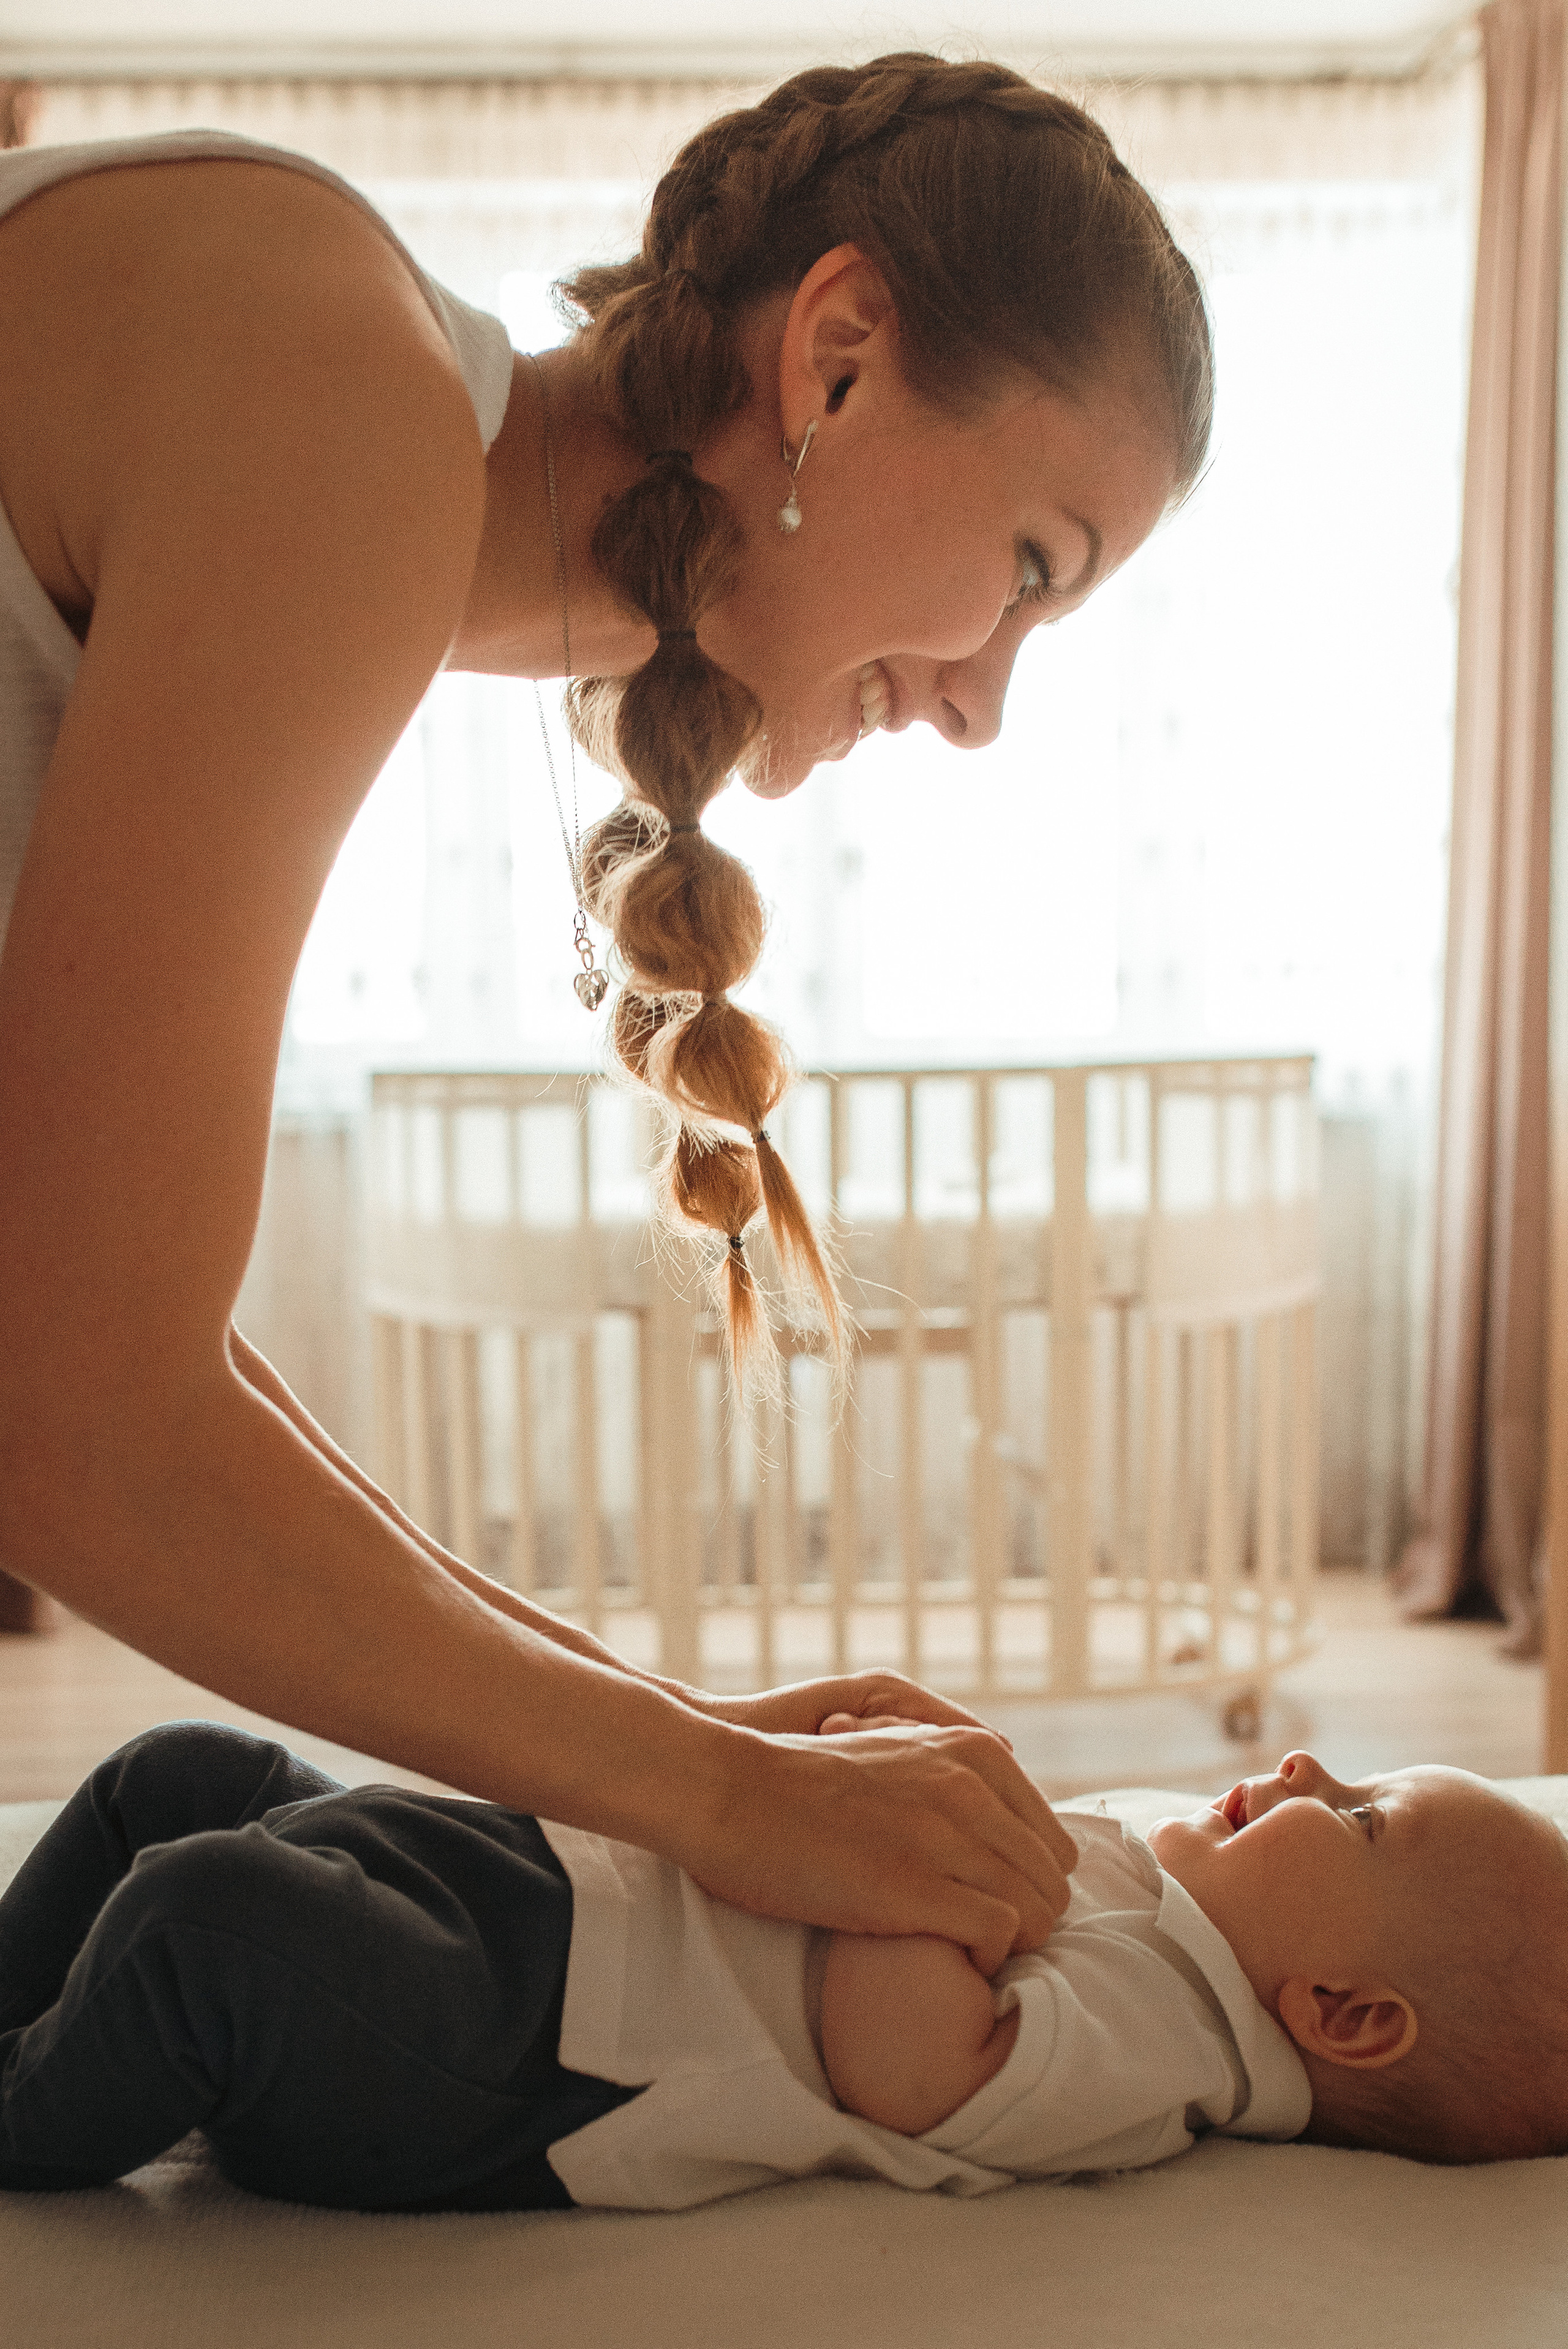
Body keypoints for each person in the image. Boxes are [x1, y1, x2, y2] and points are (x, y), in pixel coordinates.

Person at [0, 58, 1205, 1951]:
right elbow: (75, 1417)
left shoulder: (360, 430)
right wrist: (718, 1792)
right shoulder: (339, 387)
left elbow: (101, 1326)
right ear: (839, 359)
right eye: (1031, 570)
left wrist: (683, 1741)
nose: (982, 705)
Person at [5, 1727, 1565, 2210]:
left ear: (1342, 2017)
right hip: (555, 1878)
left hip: (529, 2043)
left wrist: (918, 1877)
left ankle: (28, 2112)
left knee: (208, 1918)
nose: (1302, 1763)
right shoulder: (1175, 1891)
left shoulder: (1161, 2052)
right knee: (186, 1773)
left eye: (1356, 1818)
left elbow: (907, 2067)